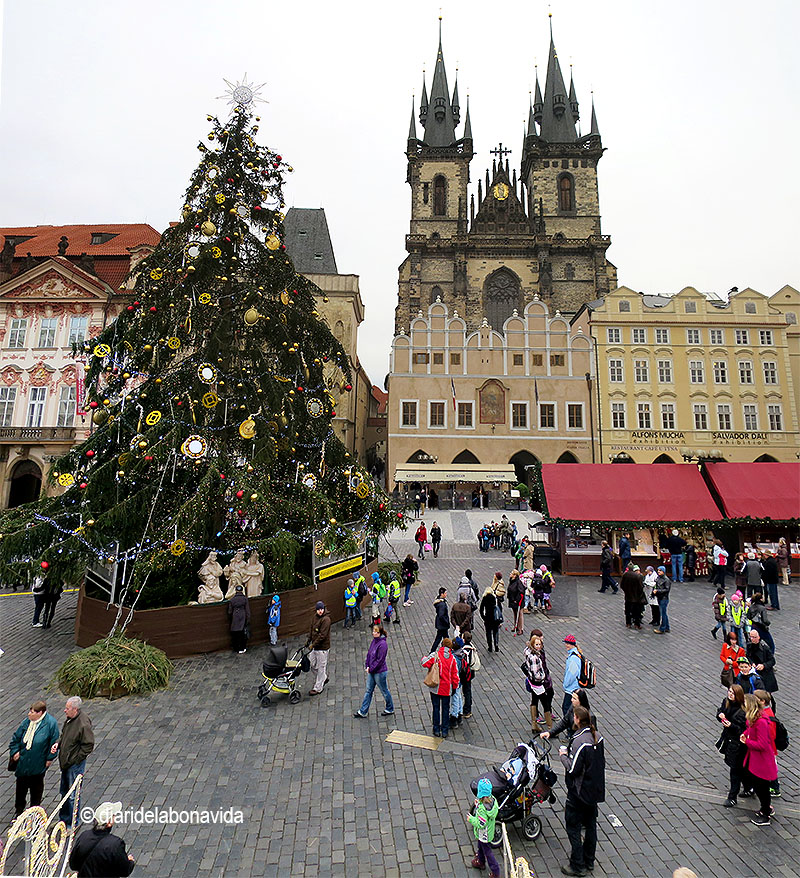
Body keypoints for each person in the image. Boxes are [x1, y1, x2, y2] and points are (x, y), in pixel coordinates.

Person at [558, 706, 605, 877]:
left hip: (578, 793)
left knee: (573, 827)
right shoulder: (598, 738)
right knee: (591, 825)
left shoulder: (579, 742)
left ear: (577, 719)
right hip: (594, 791)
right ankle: (589, 860)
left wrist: (563, 755)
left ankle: (577, 865)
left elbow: (573, 770)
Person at [8, 700, 60, 816]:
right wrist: (15, 751)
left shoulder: (50, 724)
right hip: (23, 763)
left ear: (40, 713)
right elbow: (15, 739)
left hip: (38, 763)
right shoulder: (27, 722)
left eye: (32, 712)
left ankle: (35, 810)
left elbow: (54, 743)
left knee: (36, 789)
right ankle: (19, 809)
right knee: (21, 788)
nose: (29, 714)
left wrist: (49, 758)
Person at [54, 696, 94, 827]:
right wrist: (58, 744)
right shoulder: (70, 720)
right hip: (66, 763)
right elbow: (64, 735)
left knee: (73, 795)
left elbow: (88, 745)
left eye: (67, 708)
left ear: (75, 709)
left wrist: (76, 759)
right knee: (64, 792)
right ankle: (64, 819)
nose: (64, 711)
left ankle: (74, 823)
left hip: (74, 765)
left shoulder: (83, 724)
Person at [69, 800, 135, 878]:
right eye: (114, 815)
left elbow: (73, 865)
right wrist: (130, 861)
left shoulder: (84, 836)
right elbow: (124, 871)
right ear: (109, 823)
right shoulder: (116, 844)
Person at [740, 692, 777, 826]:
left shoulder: (761, 722)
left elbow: (762, 744)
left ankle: (766, 813)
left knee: (762, 788)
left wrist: (747, 742)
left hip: (761, 762)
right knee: (758, 785)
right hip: (755, 760)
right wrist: (745, 735)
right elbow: (749, 730)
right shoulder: (754, 718)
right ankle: (764, 808)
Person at [422, 637, 461, 738]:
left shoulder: (436, 655)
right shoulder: (452, 659)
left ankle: (436, 729)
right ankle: (444, 730)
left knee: (436, 708)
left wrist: (424, 658)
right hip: (446, 689)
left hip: (435, 687)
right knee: (445, 709)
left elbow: (425, 663)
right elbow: (455, 676)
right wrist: (455, 687)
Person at [353, 625, 394, 718]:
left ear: (379, 633)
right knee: (368, 690)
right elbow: (369, 654)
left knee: (384, 690)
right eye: (373, 631)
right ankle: (363, 711)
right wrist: (367, 665)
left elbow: (380, 660)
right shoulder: (374, 641)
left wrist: (371, 668)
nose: (373, 633)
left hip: (379, 672)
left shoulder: (383, 645)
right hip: (372, 671)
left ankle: (390, 708)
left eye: (375, 632)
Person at [716, 684, 747, 807]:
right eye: (729, 691)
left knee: (735, 769)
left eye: (733, 693)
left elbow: (744, 730)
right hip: (729, 740)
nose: (730, 694)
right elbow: (720, 712)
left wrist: (731, 726)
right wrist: (720, 716)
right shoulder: (726, 702)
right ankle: (749, 787)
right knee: (740, 768)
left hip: (739, 743)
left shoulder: (743, 711)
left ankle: (732, 796)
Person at [468, 777, 500, 878]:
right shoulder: (493, 800)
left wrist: (471, 819)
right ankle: (481, 861)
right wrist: (478, 805)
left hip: (484, 834)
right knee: (480, 847)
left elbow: (481, 823)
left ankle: (495, 871)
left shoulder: (482, 809)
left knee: (488, 852)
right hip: (488, 832)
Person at [523, 635, 554, 735]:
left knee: (534, 701)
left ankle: (534, 724)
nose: (539, 646)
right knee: (545, 704)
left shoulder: (528, 652)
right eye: (536, 644)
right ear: (533, 644)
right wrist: (543, 677)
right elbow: (536, 674)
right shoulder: (534, 657)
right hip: (537, 683)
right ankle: (550, 728)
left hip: (532, 682)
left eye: (540, 644)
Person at [753, 689, 781, 800]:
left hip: (768, 748)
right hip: (767, 747)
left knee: (771, 766)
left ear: (762, 701)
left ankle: (774, 787)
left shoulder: (767, 716)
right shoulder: (765, 712)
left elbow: (771, 735)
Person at [306, 601, 331, 696]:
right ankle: (323, 678)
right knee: (311, 664)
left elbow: (322, 635)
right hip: (315, 647)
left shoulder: (326, 620)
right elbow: (312, 630)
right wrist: (308, 640)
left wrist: (313, 644)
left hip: (322, 648)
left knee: (321, 667)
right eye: (318, 609)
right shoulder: (314, 618)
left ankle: (318, 688)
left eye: (321, 609)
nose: (320, 611)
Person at [746, 629, 778, 707]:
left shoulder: (765, 648)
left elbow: (772, 661)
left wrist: (764, 665)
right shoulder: (749, 646)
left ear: (759, 637)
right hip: (756, 674)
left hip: (766, 675)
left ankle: (771, 711)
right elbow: (748, 656)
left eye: (754, 637)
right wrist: (751, 663)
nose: (752, 639)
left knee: (766, 696)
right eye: (751, 637)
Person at [619, 564, 645, 629]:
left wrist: (626, 591)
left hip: (628, 596)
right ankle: (637, 624)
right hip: (636, 597)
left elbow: (622, 585)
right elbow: (640, 587)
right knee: (637, 611)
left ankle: (628, 623)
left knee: (627, 610)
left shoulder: (625, 575)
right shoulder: (637, 576)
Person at [561, 635, 582, 716]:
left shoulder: (573, 658)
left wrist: (565, 684)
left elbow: (572, 674)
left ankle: (571, 727)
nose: (566, 645)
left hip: (571, 688)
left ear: (572, 644)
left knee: (566, 708)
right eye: (566, 643)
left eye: (568, 643)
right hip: (575, 687)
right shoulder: (576, 654)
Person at [479, 581, 502, 653]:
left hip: (488, 618)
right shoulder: (495, 598)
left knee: (488, 633)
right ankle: (496, 645)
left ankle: (490, 646)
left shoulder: (484, 598)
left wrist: (483, 617)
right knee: (496, 632)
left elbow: (481, 609)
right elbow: (500, 609)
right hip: (495, 619)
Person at [461, 631, 479, 718]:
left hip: (465, 672)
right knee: (468, 689)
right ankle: (468, 709)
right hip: (470, 671)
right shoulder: (472, 646)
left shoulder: (464, 649)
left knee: (465, 690)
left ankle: (466, 709)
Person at [227, 584, 250, 653]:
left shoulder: (232, 600)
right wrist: (248, 619)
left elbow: (230, 611)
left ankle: (237, 648)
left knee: (236, 633)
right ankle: (243, 647)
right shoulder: (245, 599)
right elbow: (247, 610)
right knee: (243, 633)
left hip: (235, 616)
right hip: (243, 615)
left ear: (236, 591)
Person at [653, 566, 671, 634]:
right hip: (660, 597)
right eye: (658, 570)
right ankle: (667, 627)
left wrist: (657, 591)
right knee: (664, 613)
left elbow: (666, 590)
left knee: (663, 613)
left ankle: (662, 628)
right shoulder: (659, 578)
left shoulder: (666, 580)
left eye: (660, 570)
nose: (658, 572)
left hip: (664, 598)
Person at [431, 587, 450, 653]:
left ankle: (448, 649)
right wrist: (446, 622)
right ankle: (432, 651)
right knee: (440, 638)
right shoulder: (442, 604)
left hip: (440, 624)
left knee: (445, 637)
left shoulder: (439, 601)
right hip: (442, 625)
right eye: (445, 593)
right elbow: (441, 615)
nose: (446, 594)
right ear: (442, 594)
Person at [507, 570, 525, 636]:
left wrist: (517, 600)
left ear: (515, 575)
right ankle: (515, 625)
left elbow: (521, 592)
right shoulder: (511, 581)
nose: (510, 574)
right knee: (515, 613)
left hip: (517, 601)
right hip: (512, 600)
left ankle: (521, 628)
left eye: (511, 573)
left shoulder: (518, 582)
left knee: (520, 614)